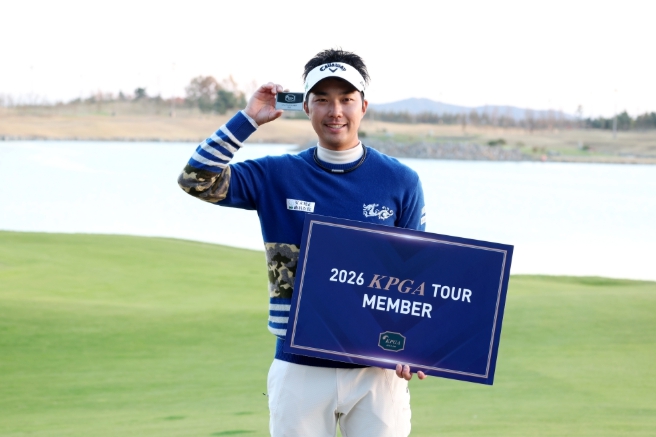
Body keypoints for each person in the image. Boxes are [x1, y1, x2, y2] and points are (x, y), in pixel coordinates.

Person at [178, 48, 427, 437]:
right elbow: (196, 180)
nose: (335, 111)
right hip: (299, 367)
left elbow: (416, 273)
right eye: (322, 99)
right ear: (306, 106)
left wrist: (415, 343)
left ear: (363, 106)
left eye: (346, 99)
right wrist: (248, 119)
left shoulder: (401, 181)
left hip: (376, 371)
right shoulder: (276, 174)